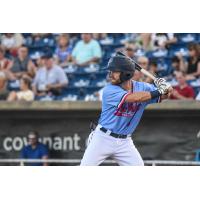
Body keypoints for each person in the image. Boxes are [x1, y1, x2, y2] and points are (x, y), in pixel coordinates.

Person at [80, 52, 172, 166]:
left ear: (126, 74)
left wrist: (166, 87)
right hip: (103, 138)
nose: (110, 74)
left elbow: (165, 95)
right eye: (110, 71)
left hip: (125, 142)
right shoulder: (109, 90)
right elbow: (134, 98)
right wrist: (159, 90)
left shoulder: (142, 87)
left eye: (114, 71)